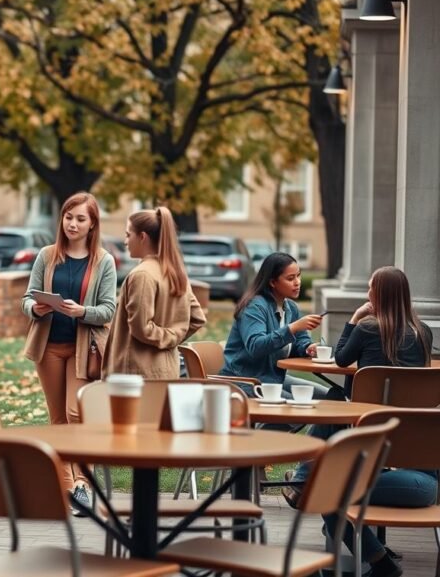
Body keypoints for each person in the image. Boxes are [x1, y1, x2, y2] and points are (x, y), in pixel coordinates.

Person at [283, 266, 435, 577]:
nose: (367, 295)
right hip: (424, 476)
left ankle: (379, 563)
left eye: (370, 290)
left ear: (377, 295)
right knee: (337, 403)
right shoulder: (424, 333)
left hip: (376, 451)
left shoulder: (368, 328)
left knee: (323, 487)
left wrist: (354, 319)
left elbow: (340, 358)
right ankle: (378, 561)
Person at [21, 192, 116, 514]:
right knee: (58, 419)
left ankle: (82, 484)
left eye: (80, 219)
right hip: (49, 347)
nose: (73, 224)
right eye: (68, 217)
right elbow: (26, 299)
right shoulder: (47, 256)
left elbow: (108, 310)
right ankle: (67, 487)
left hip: (83, 349)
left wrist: (81, 312)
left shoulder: (103, 261)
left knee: (77, 416)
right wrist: (36, 307)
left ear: (92, 225)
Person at [104, 207, 206, 379]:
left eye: (128, 235)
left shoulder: (142, 275)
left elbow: (141, 328)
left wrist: (170, 337)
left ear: (142, 237)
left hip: (136, 375)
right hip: (167, 371)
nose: (125, 241)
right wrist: (173, 337)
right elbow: (197, 318)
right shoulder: (175, 272)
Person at [220, 252, 335, 399]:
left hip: (274, 378)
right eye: (290, 278)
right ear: (272, 282)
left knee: (331, 396)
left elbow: (300, 342)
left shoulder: (291, 307)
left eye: (298, 276)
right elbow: (256, 346)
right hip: (247, 380)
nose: (297, 282)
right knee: (297, 406)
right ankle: (275, 423)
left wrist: (308, 348)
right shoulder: (254, 307)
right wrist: (293, 328)